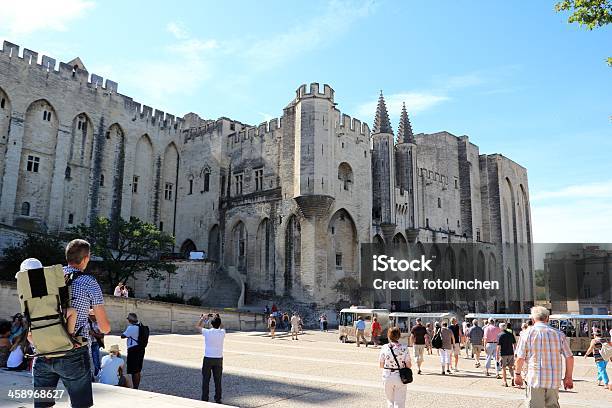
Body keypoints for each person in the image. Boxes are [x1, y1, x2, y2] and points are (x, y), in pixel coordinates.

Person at [33, 240, 111, 408]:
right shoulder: (89, 282)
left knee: (42, 404)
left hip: (43, 350)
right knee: (80, 405)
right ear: (85, 258)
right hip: (73, 353)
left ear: (67, 256)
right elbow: (104, 327)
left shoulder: (47, 278)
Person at [515, 306, 574, 408]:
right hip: (554, 380)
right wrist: (568, 377)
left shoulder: (526, 334)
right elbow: (569, 357)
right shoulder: (559, 334)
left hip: (535, 379)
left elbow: (520, 357)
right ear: (548, 318)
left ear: (533, 320)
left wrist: (517, 374)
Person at [379, 327, 412, 408]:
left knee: (390, 401)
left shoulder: (385, 347)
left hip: (387, 375)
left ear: (389, 336)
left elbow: (381, 365)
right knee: (400, 402)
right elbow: (408, 365)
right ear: (399, 336)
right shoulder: (404, 348)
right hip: (400, 377)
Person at [196, 315, 225, 404]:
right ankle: (218, 398)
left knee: (206, 379)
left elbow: (197, 326)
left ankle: (205, 398)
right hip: (218, 358)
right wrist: (218, 317)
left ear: (211, 324)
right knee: (218, 380)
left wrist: (203, 318)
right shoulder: (222, 332)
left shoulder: (207, 332)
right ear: (219, 323)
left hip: (208, 357)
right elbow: (222, 326)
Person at [121, 312, 145, 389]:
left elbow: (123, 336)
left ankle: (135, 388)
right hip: (140, 349)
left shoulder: (131, 328)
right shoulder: (141, 326)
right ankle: (136, 386)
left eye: (128, 319)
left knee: (134, 370)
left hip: (133, 350)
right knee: (138, 370)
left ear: (130, 320)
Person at [496, 322, 516, 387]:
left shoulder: (499, 335)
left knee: (503, 368)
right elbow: (514, 344)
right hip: (511, 353)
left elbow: (498, 346)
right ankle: (512, 377)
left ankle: (505, 382)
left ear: (500, 328)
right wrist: (515, 352)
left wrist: (497, 355)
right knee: (511, 367)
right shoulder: (511, 334)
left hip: (503, 353)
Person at [88, 309, 104, 377]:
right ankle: (90, 375)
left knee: (96, 359)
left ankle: (97, 374)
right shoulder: (86, 322)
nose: (95, 317)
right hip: (87, 343)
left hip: (95, 343)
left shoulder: (98, 323)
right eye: (93, 316)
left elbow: (102, 335)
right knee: (87, 360)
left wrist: (93, 334)